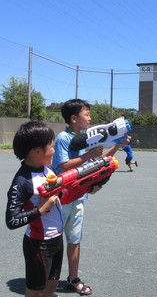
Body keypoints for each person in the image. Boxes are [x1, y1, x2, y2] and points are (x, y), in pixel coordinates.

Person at [52, 99, 128, 296]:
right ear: (74, 118)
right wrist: (87, 156)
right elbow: (62, 167)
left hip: (78, 196)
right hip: (61, 198)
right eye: (87, 114)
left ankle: (73, 278)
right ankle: (48, 281)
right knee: (53, 241)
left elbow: (99, 160)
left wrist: (117, 145)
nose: (90, 118)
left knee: (75, 240)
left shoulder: (88, 138)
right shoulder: (63, 137)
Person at [5, 121, 64, 297]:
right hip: (38, 244)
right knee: (35, 291)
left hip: (57, 238)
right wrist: (40, 210)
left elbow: (60, 196)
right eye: (51, 146)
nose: (54, 150)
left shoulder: (48, 170)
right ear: (37, 151)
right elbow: (12, 220)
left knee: (52, 285)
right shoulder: (22, 181)